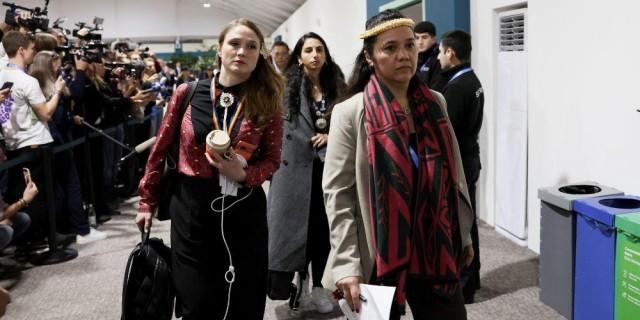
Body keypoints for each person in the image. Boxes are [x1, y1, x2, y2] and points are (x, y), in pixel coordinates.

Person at [321, 10, 475, 320]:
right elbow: (338, 194)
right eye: (390, 48)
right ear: (370, 57)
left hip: (434, 245)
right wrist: (348, 263)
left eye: (409, 45)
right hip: (377, 252)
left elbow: (453, 173)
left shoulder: (435, 102)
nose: (403, 55)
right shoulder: (351, 113)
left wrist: (464, 234)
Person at [136, 18, 284, 319]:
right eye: (234, 43)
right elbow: (161, 148)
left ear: (259, 56)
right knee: (197, 301)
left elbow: (272, 160)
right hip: (191, 208)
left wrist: (244, 175)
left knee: (244, 299)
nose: (241, 51)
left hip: (244, 207)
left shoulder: (268, 101)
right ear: (220, 50)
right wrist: (147, 200)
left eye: (251, 46)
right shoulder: (187, 92)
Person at [267, 32, 345, 313]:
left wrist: (331, 135)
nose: (315, 55)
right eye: (309, 50)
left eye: (320, 49)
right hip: (294, 172)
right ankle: (300, 281)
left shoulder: (338, 87)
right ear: (299, 57)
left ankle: (319, 288)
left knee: (326, 231)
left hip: (329, 170)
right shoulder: (283, 89)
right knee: (300, 233)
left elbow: (349, 126)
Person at [29, 50, 106, 244]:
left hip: (61, 141)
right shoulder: (43, 88)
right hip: (54, 143)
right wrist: (59, 93)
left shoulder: (52, 86)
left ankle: (73, 228)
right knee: (69, 187)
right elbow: (51, 116)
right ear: (47, 65)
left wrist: (72, 116)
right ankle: (80, 230)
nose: (61, 67)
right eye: (56, 64)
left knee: (66, 187)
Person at [0, 31, 66, 242]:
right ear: (21, 50)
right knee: (37, 196)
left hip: (13, 144)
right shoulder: (27, 81)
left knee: (25, 192)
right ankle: (35, 242)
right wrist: (56, 91)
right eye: (31, 49)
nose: (34, 53)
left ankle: (30, 241)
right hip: (33, 143)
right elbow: (45, 114)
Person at [437, 29, 484, 304]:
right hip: (471, 157)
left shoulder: (456, 88)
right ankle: (472, 278)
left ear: (450, 53)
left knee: (463, 221)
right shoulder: (472, 79)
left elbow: (446, 133)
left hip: (462, 162)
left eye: (441, 52)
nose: (439, 58)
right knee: (469, 220)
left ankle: (466, 283)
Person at [414, 21, 442, 89]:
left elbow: (436, 89)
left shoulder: (440, 58)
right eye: (417, 38)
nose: (420, 42)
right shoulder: (414, 57)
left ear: (433, 39)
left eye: (424, 37)